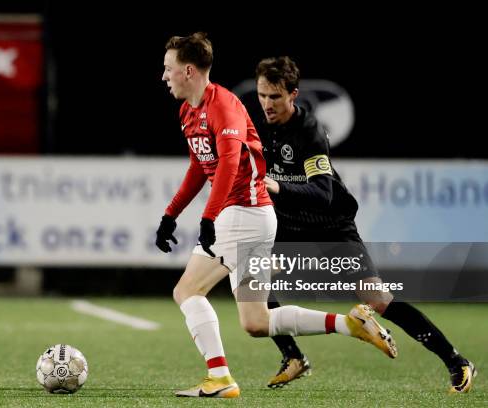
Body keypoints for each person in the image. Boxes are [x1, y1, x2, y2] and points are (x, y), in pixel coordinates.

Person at [157, 33, 397, 399]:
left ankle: (220, 378)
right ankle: (349, 323)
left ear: (188, 70)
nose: (164, 76)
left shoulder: (223, 105)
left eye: (168, 68)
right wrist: (170, 215)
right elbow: (199, 166)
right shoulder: (188, 111)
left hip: (243, 212)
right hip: (249, 215)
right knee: (256, 322)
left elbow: (229, 164)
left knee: (187, 290)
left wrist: (208, 219)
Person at [253, 56, 477, 393]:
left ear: (293, 94)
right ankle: (293, 358)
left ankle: (456, 361)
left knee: (378, 299)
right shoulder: (258, 127)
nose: (267, 104)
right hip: (289, 225)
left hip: (330, 224)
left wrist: (277, 186)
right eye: (262, 95)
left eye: (275, 97)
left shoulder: (309, 131)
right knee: (256, 278)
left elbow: (323, 192)